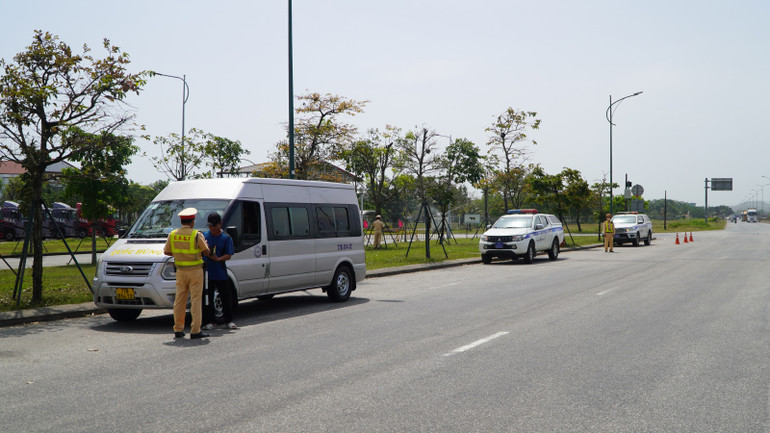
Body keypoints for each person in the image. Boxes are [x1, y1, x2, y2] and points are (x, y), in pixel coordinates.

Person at [164, 207, 210, 339]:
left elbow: (166, 252)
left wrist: (180, 254)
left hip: (180, 271)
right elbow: (206, 252)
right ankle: (195, 330)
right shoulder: (196, 234)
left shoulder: (173, 234)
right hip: (195, 271)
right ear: (193, 221)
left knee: (179, 300)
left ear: (181, 221)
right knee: (195, 300)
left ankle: (178, 329)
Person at [202, 212, 237, 330]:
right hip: (206, 272)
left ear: (220, 224)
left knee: (225, 297)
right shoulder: (204, 235)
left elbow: (228, 255)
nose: (212, 228)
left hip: (220, 271)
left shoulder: (226, 238)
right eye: (210, 226)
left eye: (215, 226)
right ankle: (211, 321)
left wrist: (218, 259)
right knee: (207, 298)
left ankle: (228, 321)